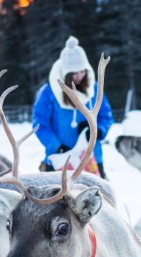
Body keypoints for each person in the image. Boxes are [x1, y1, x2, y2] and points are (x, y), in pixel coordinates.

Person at [33, 36, 114, 178]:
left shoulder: (94, 89)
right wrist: (56, 146)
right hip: (59, 159)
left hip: (91, 158)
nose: (79, 76)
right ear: (66, 73)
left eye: (82, 72)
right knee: (59, 199)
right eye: (74, 73)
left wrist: (98, 131)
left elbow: (105, 116)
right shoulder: (48, 92)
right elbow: (40, 124)